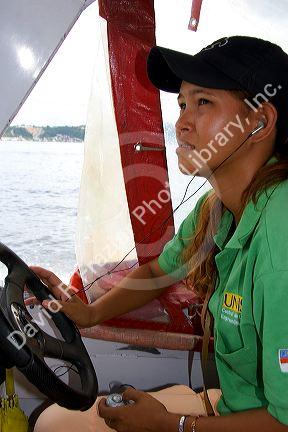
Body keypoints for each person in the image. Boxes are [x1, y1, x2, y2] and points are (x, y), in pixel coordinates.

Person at [31, 36, 288, 431]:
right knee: (55, 421)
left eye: (203, 103)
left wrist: (174, 425)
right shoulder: (217, 208)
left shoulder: (279, 238)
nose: (182, 123)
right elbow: (159, 273)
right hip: (232, 409)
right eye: (183, 103)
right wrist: (88, 312)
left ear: (260, 121)